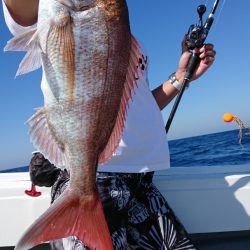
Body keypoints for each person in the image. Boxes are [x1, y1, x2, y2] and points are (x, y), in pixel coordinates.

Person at [3, 1, 216, 249]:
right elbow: (20, 8)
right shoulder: (59, 11)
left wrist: (179, 78)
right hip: (99, 180)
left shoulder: (119, 30)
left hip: (142, 183)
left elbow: (134, 106)